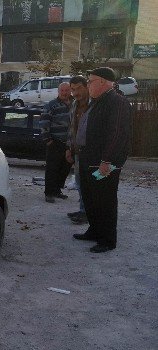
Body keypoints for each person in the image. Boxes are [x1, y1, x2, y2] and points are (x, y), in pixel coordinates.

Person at [73, 67, 131, 253]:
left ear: (103, 82)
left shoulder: (117, 102)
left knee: (104, 200)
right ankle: (95, 231)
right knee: (91, 198)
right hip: (88, 159)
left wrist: (107, 161)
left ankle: (107, 240)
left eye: (90, 81)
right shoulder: (98, 101)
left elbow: (117, 135)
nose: (87, 84)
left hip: (104, 163)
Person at [40, 82, 73, 203]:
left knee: (65, 168)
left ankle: (57, 190)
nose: (65, 93)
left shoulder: (75, 104)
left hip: (69, 143)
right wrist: (48, 140)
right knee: (52, 169)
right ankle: (49, 193)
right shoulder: (51, 105)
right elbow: (44, 123)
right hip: (55, 142)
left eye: (67, 90)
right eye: (62, 91)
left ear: (70, 91)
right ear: (58, 92)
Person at [66, 76, 91, 225]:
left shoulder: (94, 105)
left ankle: (90, 213)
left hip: (91, 152)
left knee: (90, 184)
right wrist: (69, 148)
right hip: (77, 152)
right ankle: (83, 210)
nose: (75, 92)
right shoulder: (74, 104)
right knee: (79, 183)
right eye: (73, 89)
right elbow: (71, 128)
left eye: (79, 88)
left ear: (86, 86)